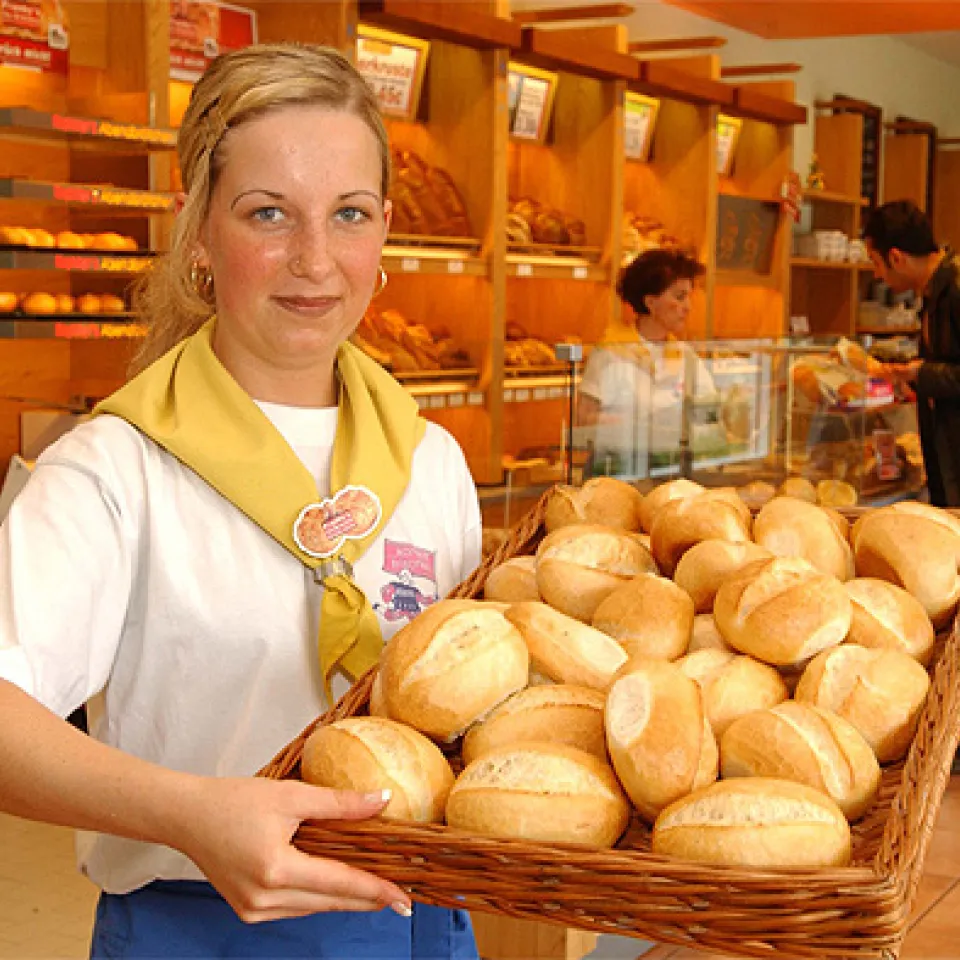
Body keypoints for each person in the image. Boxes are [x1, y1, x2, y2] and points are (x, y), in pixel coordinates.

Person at [0, 43, 482, 959]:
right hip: (205, 929)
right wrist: (190, 812)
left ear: (384, 230)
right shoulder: (114, 468)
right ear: (199, 231)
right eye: (270, 214)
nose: (315, 261)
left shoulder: (431, 458)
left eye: (349, 215)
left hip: (425, 922)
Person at [576, 247, 722, 478]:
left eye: (689, 297)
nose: (688, 307)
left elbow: (709, 415)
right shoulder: (610, 353)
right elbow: (584, 421)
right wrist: (640, 426)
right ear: (651, 302)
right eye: (679, 296)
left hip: (672, 473)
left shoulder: (686, 357)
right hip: (616, 473)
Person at [863, 200, 960, 506]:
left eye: (876, 263)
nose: (878, 275)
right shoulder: (933, 293)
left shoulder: (956, 288)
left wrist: (920, 373)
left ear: (896, 257)